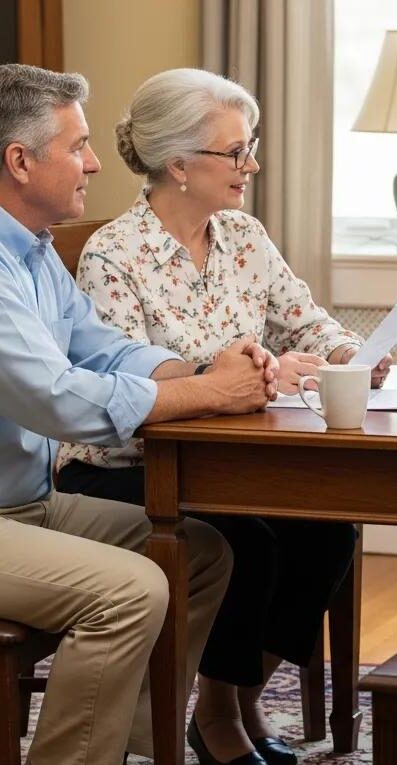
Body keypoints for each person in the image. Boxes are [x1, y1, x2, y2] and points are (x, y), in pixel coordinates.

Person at [56, 68, 391, 765]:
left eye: (252, 145)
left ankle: (232, 699)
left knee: (327, 529)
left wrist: (349, 353)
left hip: (234, 462)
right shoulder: (113, 256)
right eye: (235, 151)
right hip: (129, 470)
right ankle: (217, 719)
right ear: (179, 163)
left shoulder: (242, 235)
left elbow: (309, 320)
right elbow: (123, 388)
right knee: (248, 537)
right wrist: (249, 376)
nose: (253, 164)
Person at [0, 63, 286, 765]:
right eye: (77, 146)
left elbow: (105, 349)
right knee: (131, 589)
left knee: (201, 552)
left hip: (27, 505)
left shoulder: (34, 255)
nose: (96, 162)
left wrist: (204, 370)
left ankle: (133, 748)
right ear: (19, 160)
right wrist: (209, 393)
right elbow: (59, 397)